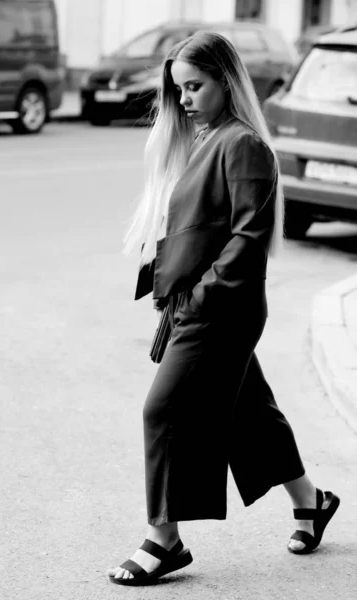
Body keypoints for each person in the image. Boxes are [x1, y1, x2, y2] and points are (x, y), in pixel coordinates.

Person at [107, 31, 340, 586]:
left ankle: (165, 539)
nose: (184, 99)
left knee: (162, 412)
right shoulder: (209, 137)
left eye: (195, 86)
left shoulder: (243, 144)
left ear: (226, 80)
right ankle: (312, 501)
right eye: (179, 89)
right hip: (207, 302)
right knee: (248, 414)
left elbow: (247, 239)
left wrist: (200, 298)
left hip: (222, 308)